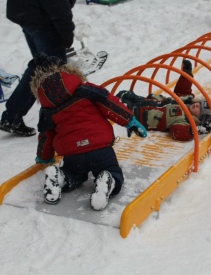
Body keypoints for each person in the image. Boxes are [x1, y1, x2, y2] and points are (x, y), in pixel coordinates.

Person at [30, 53, 147, 211]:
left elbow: (46, 136)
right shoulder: (86, 90)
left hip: (73, 154)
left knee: (74, 174)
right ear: (68, 72)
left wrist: (44, 158)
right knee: (111, 169)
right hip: (100, 149)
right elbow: (109, 103)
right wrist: (130, 121)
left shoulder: (47, 110)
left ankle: (61, 177)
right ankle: (109, 179)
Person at [0, 0, 80, 136]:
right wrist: (65, 29)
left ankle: (13, 115)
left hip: (29, 11)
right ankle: (59, 122)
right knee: (54, 70)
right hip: (42, 17)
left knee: (42, 65)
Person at [117, 59, 211, 141]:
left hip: (140, 116)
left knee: (119, 106)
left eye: (200, 109)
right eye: (199, 104)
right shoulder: (187, 99)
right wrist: (187, 74)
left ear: (198, 118)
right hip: (145, 101)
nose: (197, 106)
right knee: (123, 94)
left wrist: (194, 131)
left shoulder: (184, 121)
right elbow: (182, 90)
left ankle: (107, 107)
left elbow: (178, 133)